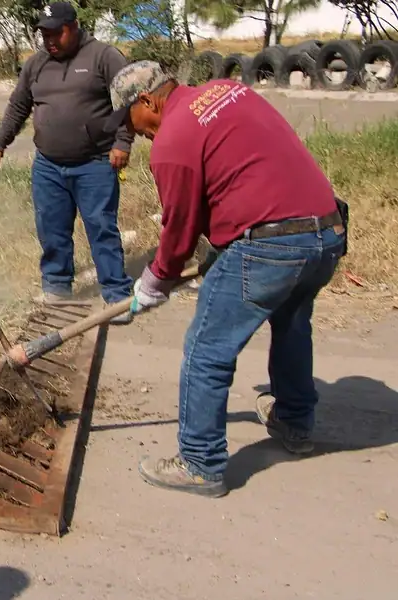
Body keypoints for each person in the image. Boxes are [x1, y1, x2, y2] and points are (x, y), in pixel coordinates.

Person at [106, 61, 347, 498]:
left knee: (206, 349)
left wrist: (153, 283)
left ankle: (200, 464)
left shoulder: (172, 142)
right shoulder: (225, 92)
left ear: (147, 101)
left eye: (129, 120)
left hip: (272, 243)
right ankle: (294, 422)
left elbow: (178, 232)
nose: (134, 132)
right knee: (291, 325)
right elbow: (248, 169)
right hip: (326, 233)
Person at [0, 1, 134, 322]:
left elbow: (127, 101)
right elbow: (17, 106)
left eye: (56, 33)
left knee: (101, 228)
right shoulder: (37, 64)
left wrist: (123, 143)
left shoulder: (103, 56)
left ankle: (116, 294)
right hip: (49, 165)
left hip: (96, 162)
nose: (49, 40)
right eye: (44, 34)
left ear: (74, 26)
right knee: (51, 228)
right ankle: (57, 287)